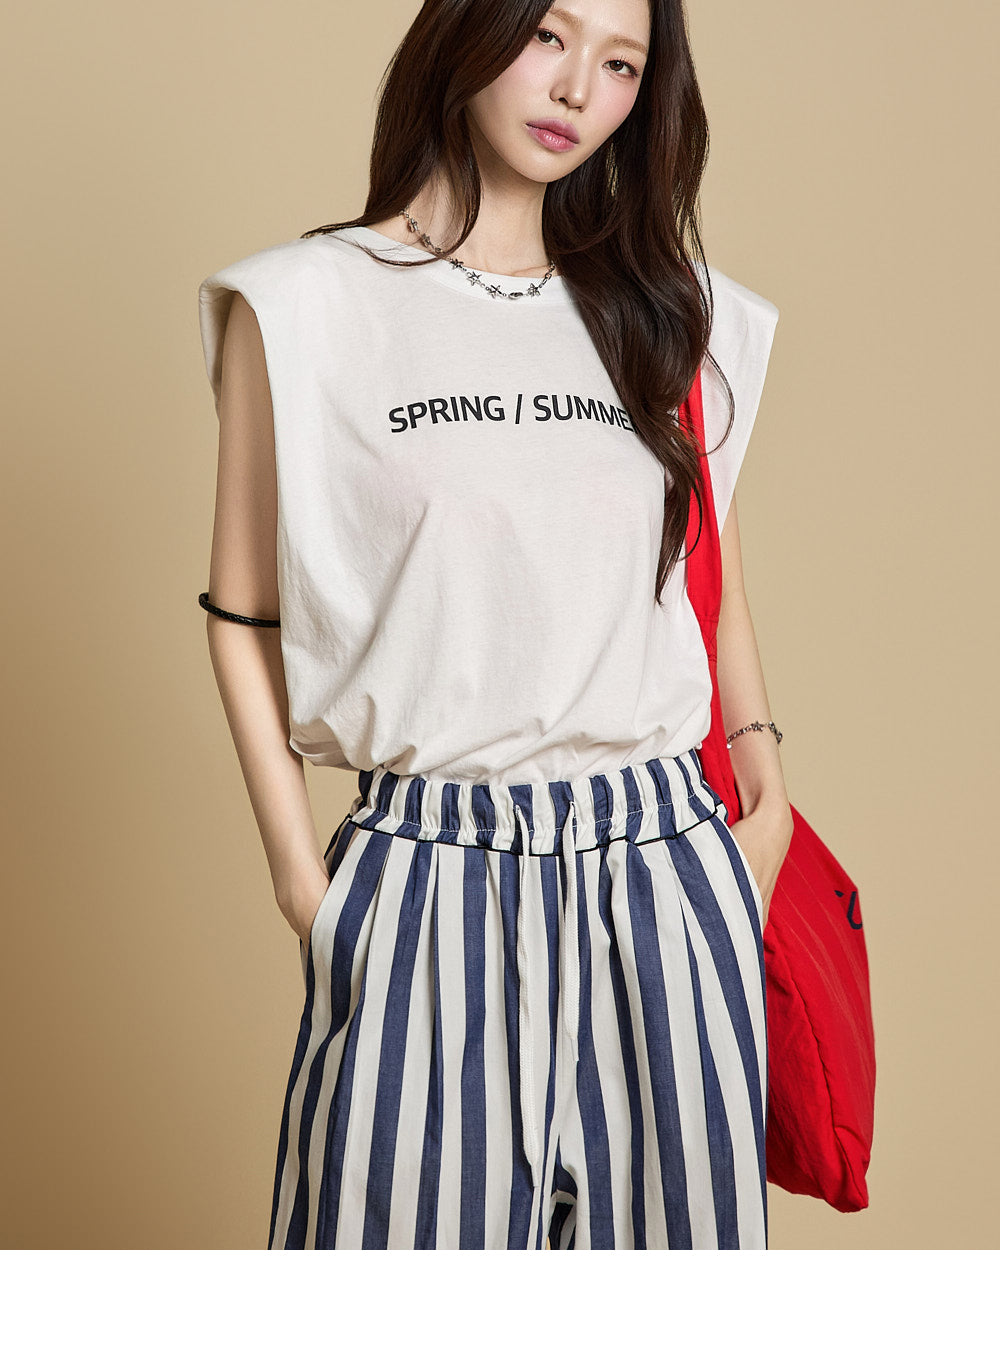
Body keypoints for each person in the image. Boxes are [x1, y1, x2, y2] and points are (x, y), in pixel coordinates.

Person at [196, 0, 794, 1250]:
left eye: (620, 64)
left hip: (661, 866)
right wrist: (304, 884)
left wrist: (765, 799)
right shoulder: (300, 307)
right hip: (427, 874)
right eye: (550, 37)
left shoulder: (675, 311)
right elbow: (241, 614)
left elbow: (711, 580)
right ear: (473, 26)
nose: (577, 89)